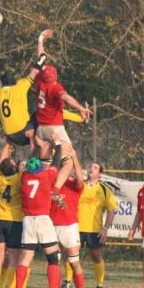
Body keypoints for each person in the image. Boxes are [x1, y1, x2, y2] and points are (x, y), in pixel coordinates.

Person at [35, 30, 92, 204]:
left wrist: (41, 39)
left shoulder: (41, 81)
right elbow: (66, 98)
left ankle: (43, 187)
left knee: (47, 162)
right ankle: (55, 190)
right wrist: (82, 108)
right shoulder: (54, 88)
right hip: (54, 129)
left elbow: (41, 58)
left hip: (40, 129)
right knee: (69, 160)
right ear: (55, 77)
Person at [14, 134, 63, 288]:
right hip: (43, 220)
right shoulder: (46, 176)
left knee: (25, 259)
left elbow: (32, 159)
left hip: (28, 221)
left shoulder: (24, 177)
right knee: (53, 258)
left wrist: (34, 143)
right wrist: (57, 143)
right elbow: (57, 162)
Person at [70, 162, 117, 288]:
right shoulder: (80, 185)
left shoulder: (104, 189)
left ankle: (99, 284)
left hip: (94, 229)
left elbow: (111, 210)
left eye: (95, 167)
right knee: (72, 255)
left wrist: (105, 228)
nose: (91, 168)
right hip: (76, 227)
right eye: (90, 166)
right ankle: (67, 281)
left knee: (96, 256)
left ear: (100, 174)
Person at [0, 144, 25, 288]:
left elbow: (1, 162)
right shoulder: (19, 178)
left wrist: (6, 147)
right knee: (14, 258)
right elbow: (24, 167)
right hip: (14, 221)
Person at [50, 149, 87, 288]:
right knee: (54, 262)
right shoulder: (53, 184)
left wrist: (74, 158)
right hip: (52, 226)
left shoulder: (74, 185)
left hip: (69, 226)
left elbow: (80, 179)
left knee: (73, 261)